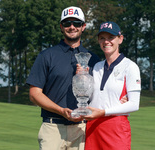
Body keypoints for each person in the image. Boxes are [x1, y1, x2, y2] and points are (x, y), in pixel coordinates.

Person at [26, 6, 100, 150]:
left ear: (83, 27)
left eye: (76, 23)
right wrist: (61, 111)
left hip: (82, 129)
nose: (72, 27)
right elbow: (34, 94)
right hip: (53, 128)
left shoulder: (94, 59)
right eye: (67, 23)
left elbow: (103, 90)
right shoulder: (47, 55)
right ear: (61, 27)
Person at [82, 21, 141, 150]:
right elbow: (92, 97)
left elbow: (134, 104)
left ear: (120, 39)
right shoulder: (96, 66)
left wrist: (103, 112)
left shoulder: (130, 67)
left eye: (111, 37)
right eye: (102, 38)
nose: (106, 41)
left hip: (116, 129)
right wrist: (82, 78)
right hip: (92, 128)